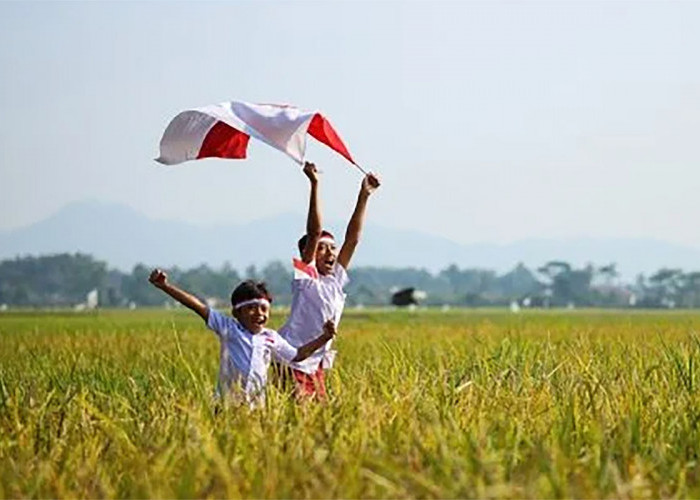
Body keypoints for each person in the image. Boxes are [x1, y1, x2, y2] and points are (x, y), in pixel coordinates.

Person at [148, 268, 336, 404]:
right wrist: (165, 286)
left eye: (264, 309)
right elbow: (197, 306)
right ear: (237, 313)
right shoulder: (229, 328)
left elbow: (297, 355)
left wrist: (324, 337)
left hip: (257, 409)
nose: (259, 314)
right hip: (227, 406)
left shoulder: (271, 337)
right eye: (251, 309)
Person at [277, 161, 380, 399]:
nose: (331, 253)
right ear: (309, 255)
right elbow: (314, 232)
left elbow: (352, 239)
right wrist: (314, 184)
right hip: (292, 358)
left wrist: (364, 196)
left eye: (332, 249)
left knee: (319, 417)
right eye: (322, 249)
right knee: (299, 412)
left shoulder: (335, 280)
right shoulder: (306, 279)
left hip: (316, 362)